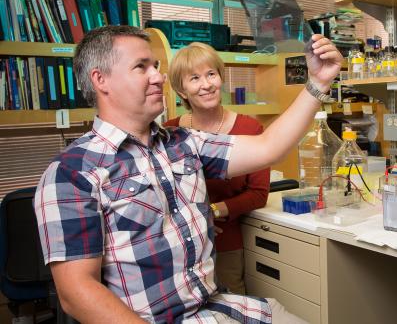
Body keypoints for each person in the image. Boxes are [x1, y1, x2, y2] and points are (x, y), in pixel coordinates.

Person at [34, 25, 342, 323]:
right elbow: (76, 292)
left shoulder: (183, 142)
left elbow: (269, 147)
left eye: (155, 65)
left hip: (221, 306)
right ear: (102, 80)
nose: (159, 76)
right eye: (142, 67)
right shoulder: (71, 172)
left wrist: (318, 82)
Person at [164, 42, 270, 295]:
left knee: (231, 308)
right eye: (195, 78)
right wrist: (196, 220)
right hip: (179, 243)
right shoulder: (169, 132)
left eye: (211, 74)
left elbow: (258, 193)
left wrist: (211, 212)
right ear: (181, 89)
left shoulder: (249, 129)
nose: (207, 84)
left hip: (225, 241)